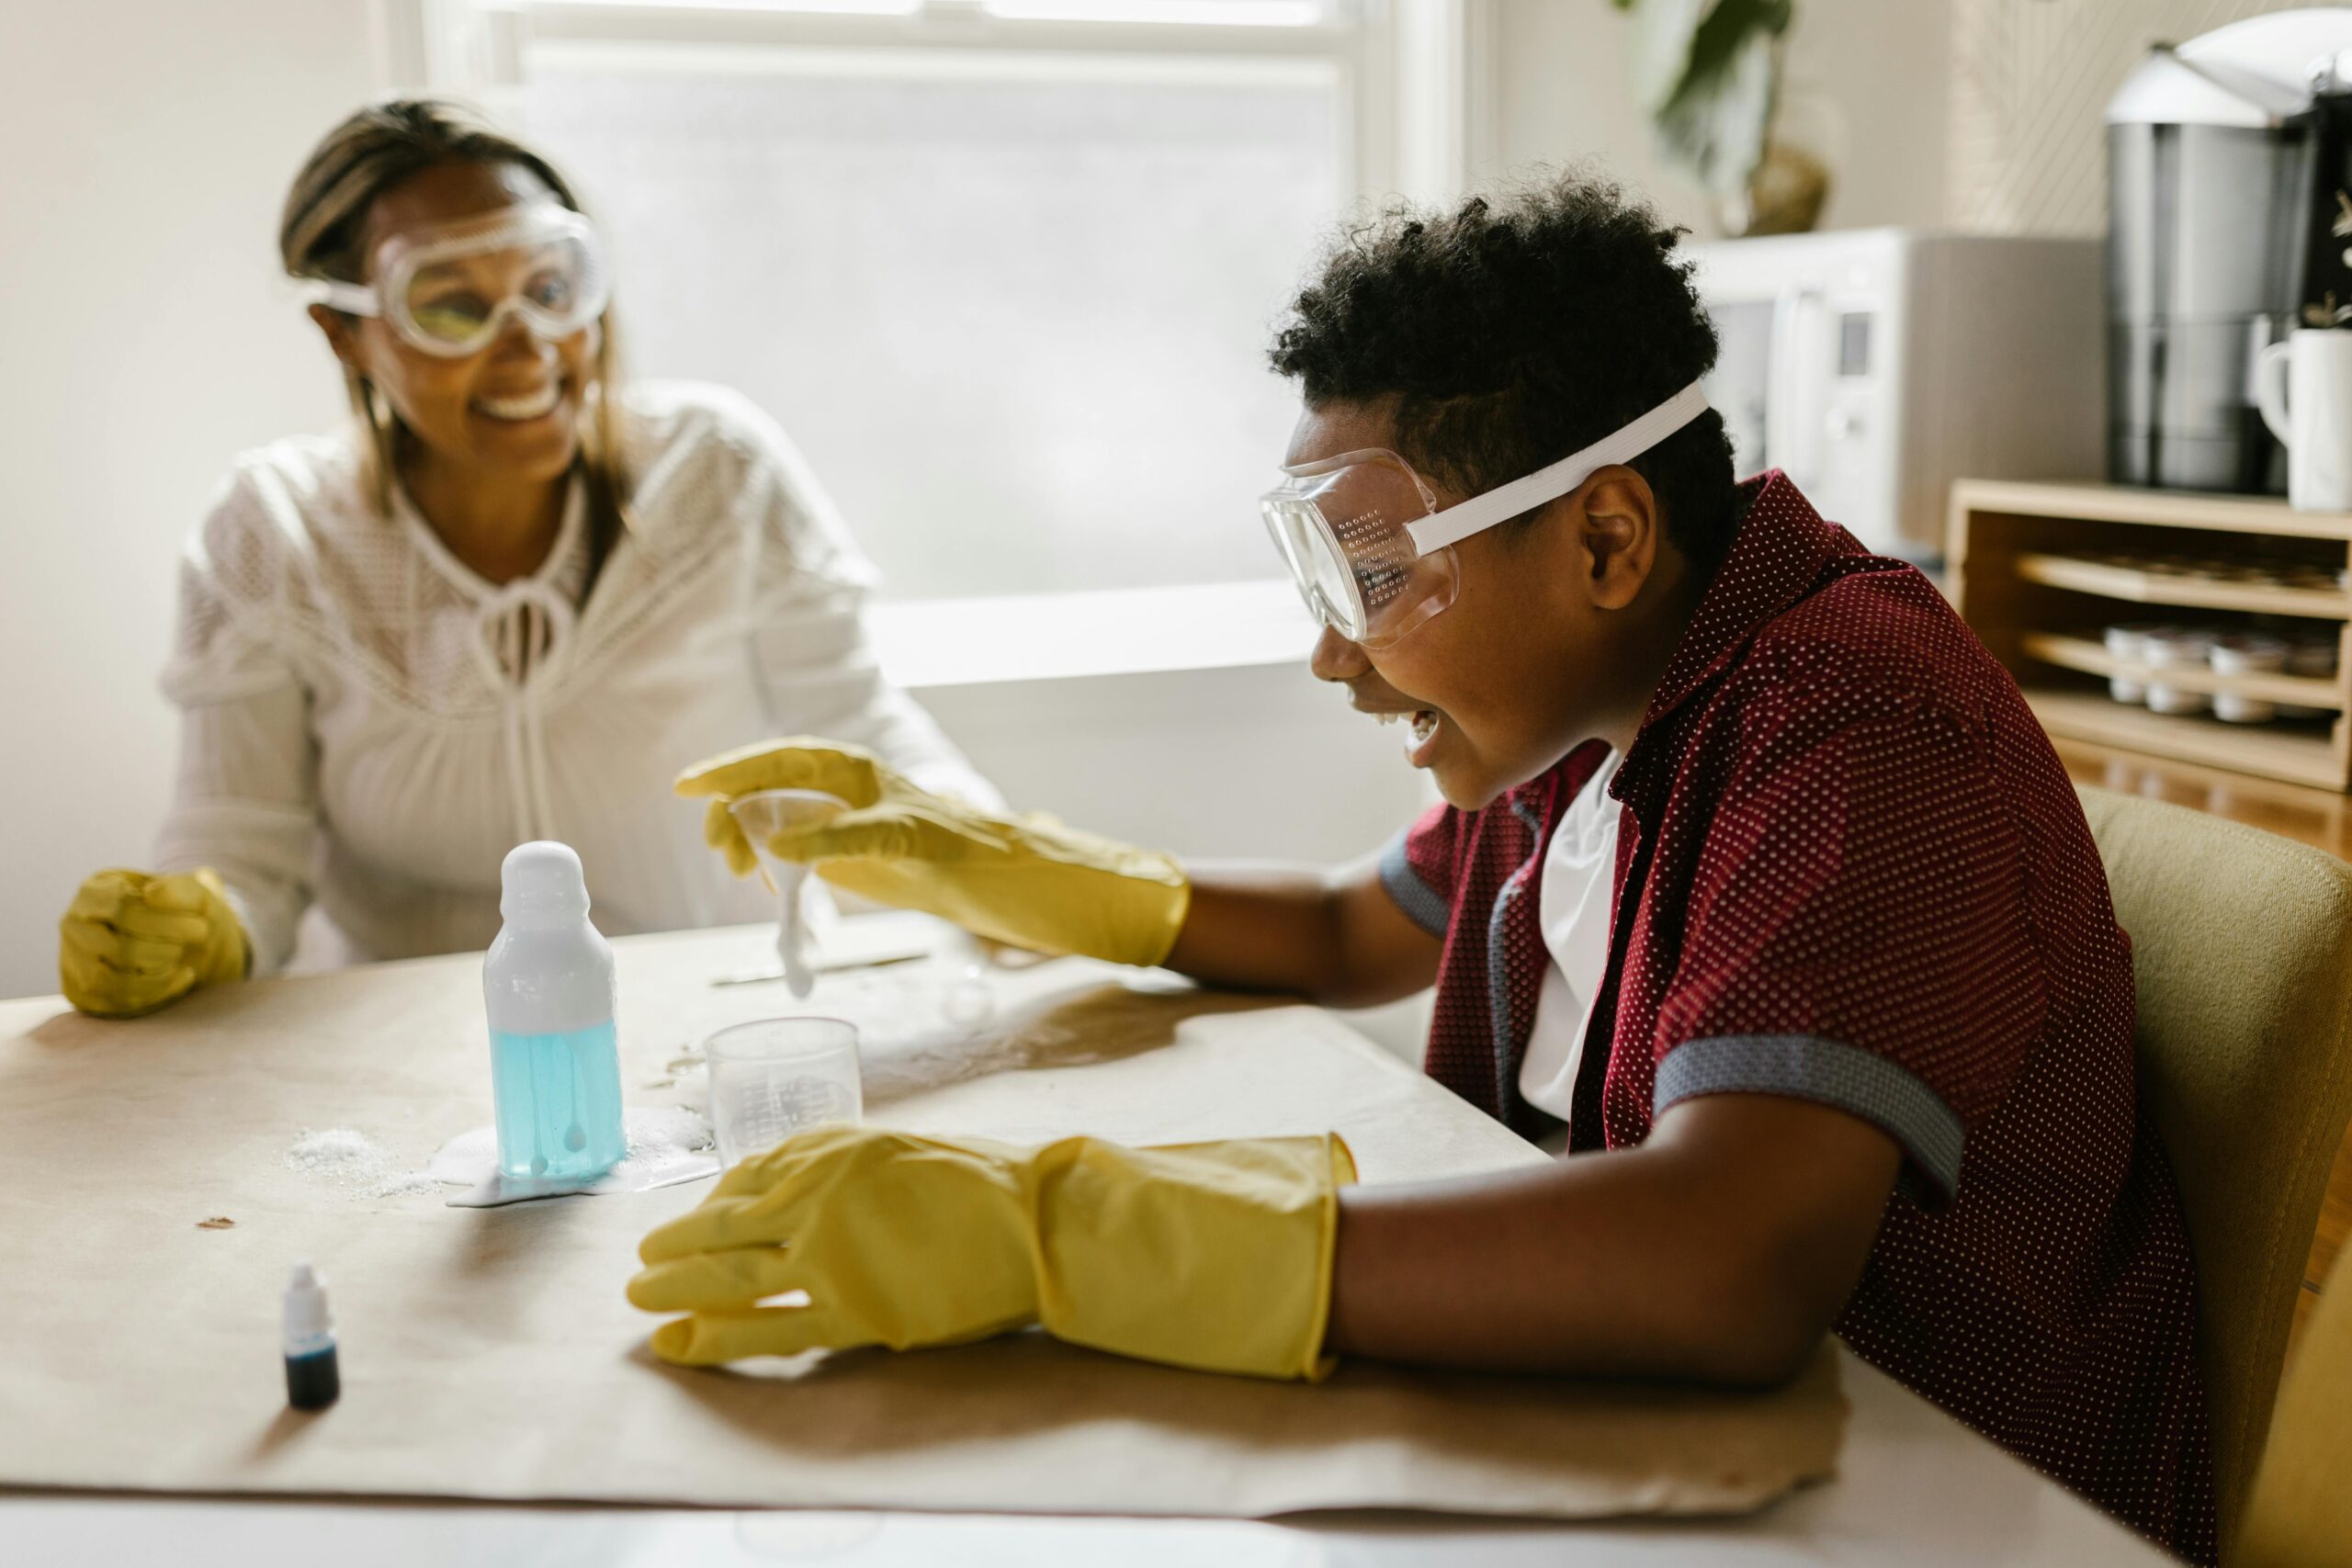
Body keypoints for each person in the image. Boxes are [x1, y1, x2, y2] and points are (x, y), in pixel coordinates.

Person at [632, 177, 2214, 1562]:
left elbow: (1726, 1263)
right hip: (1696, 1452)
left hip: (1948, 1503)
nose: (1332, 652)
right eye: (1322, 574)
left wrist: (1071, 1236)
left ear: (1601, 539)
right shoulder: (1609, 701)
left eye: (1377, 576)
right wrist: (989, 862)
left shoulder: (1848, 725)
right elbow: (1347, 926)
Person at [56, 98, 993, 1018]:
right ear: (346, 334)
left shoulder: (717, 471)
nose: (528, 348)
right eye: (452, 307)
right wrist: (191, 925)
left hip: (726, 1028)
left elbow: (863, 744)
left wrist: (1011, 858)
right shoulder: (275, 532)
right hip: (408, 1079)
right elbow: (239, 849)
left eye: (551, 290)